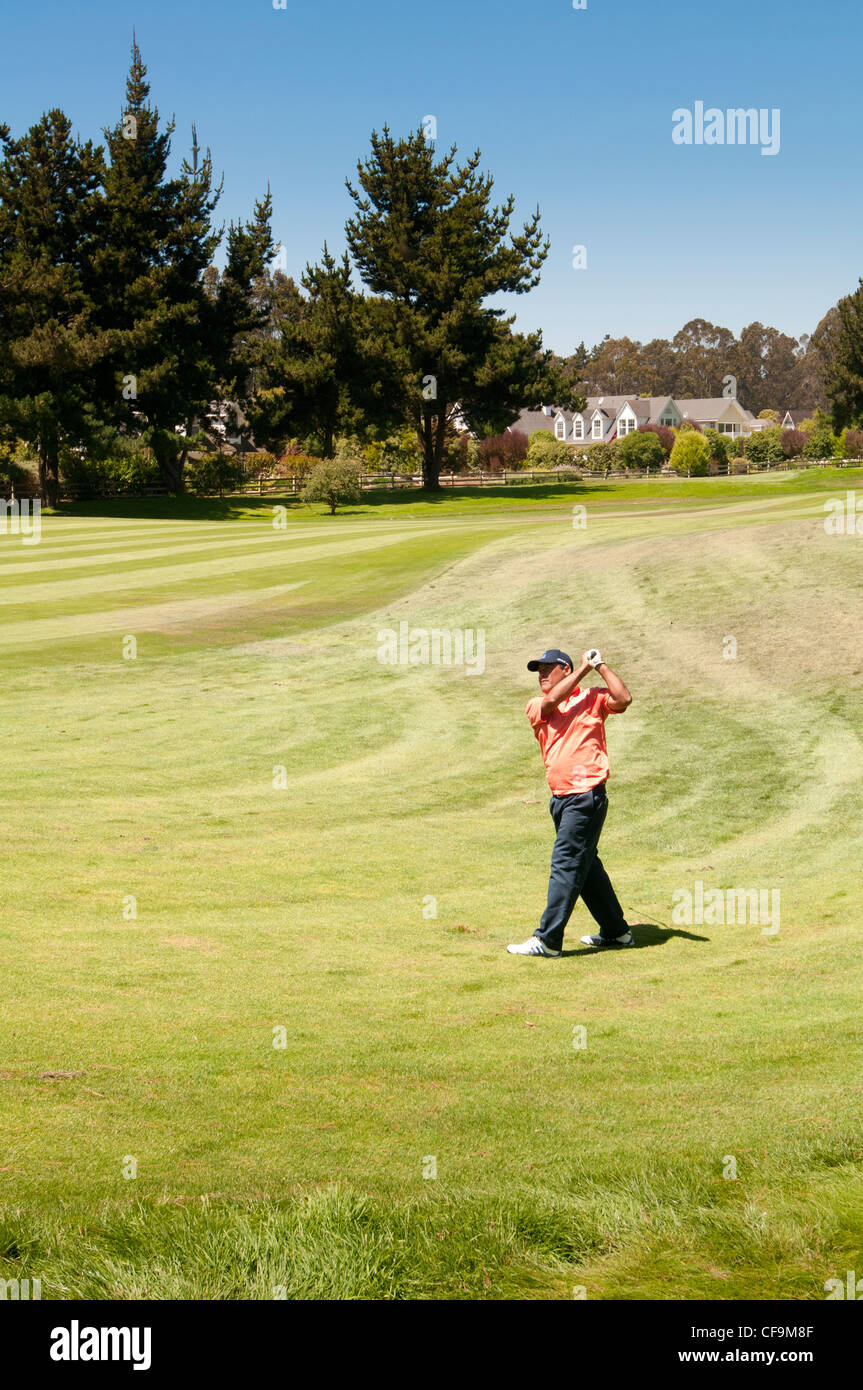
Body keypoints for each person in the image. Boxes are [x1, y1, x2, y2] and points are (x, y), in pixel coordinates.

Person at [507, 647, 634, 957]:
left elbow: (624, 699)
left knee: (566, 864)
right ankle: (617, 933)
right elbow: (552, 702)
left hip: (586, 795)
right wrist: (584, 670)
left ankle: (548, 940)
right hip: (560, 799)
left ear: (565, 668)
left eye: (548, 668)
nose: (541, 674)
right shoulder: (537, 705)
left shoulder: (592, 698)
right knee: (586, 867)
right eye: (538, 670)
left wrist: (600, 665)